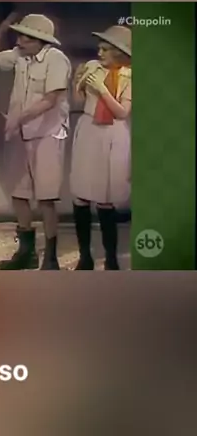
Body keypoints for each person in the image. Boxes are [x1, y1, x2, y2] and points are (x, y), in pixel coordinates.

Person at [0, 13, 71, 270]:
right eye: (19, 35)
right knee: (19, 194)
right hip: (21, 134)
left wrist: (18, 118)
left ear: (41, 41)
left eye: (26, 37)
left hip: (47, 134)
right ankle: (26, 252)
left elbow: (50, 99)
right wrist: (0, 30)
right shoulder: (20, 55)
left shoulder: (56, 59)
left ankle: (50, 257)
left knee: (46, 198)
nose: (20, 41)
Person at [70, 25, 132, 270]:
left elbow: (122, 112)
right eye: (100, 48)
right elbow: (79, 102)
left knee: (105, 200)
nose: (100, 52)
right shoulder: (92, 67)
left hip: (112, 134)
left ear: (118, 52)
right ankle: (84, 256)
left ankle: (111, 259)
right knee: (80, 196)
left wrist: (102, 88)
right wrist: (77, 84)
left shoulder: (128, 75)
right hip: (88, 130)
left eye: (105, 49)